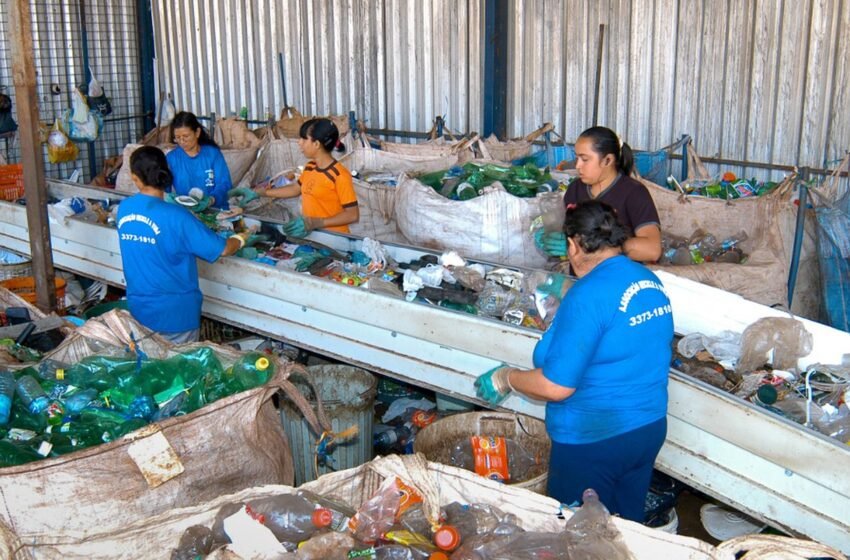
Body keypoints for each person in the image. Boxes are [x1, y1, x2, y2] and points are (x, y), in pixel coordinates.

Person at [477, 200, 673, 522]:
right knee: (626, 529)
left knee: (577, 535)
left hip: (594, 440)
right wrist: (570, 289)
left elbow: (556, 386)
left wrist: (506, 378)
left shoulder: (587, 297)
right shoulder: (648, 280)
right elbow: (619, 324)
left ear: (572, 245)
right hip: (647, 430)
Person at [117, 146, 250, 343]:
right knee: (179, 363)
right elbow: (223, 249)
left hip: (140, 311)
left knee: (149, 360)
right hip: (177, 315)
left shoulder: (124, 209)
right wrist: (242, 237)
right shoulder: (178, 216)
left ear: (134, 177)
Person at [536, 126, 662, 263]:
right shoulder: (575, 189)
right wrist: (555, 237)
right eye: (577, 158)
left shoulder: (634, 193)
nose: (577, 165)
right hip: (581, 273)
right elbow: (569, 232)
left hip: (616, 274)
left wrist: (593, 246)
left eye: (585, 159)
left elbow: (652, 250)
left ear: (607, 160)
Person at [258, 118, 359, 237]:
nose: (299, 143)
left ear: (316, 144)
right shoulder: (310, 167)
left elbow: (352, 215)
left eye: (304, 139)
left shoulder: (339, 175)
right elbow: (296, 189)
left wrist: (316, 223)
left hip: (334, 238)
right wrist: (262, 193)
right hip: (313, 235)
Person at [166, 111, 232, 209]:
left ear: (197, 132)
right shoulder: (171, 158)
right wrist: (168, 198)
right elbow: (164, 189)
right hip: (187, 212)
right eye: (178, 138)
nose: (182, 141)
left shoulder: (213, 154)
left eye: (186, 136)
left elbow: (224, 183)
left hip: (215, 210)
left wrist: (211, 200)